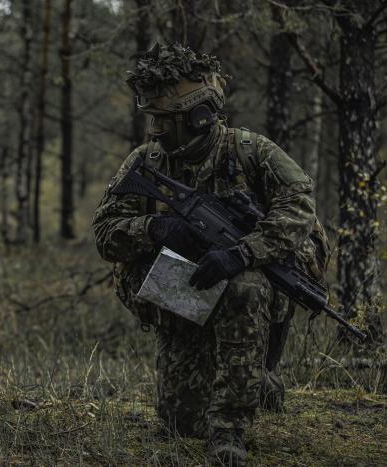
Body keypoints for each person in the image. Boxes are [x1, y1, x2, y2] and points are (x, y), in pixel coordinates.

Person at [92, 43, 328, 466]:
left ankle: (229, 429)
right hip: (177, 293)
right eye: (152, 119)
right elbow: (105, 234)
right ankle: (256, 381)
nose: (156, 130)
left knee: (245, 286)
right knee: (181, 424)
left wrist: (244, 252)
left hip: (249, 285)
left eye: (165, 120)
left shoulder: (252, 153)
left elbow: (299, 207)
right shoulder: (146, 162)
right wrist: (153, 228)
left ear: (200, 115)